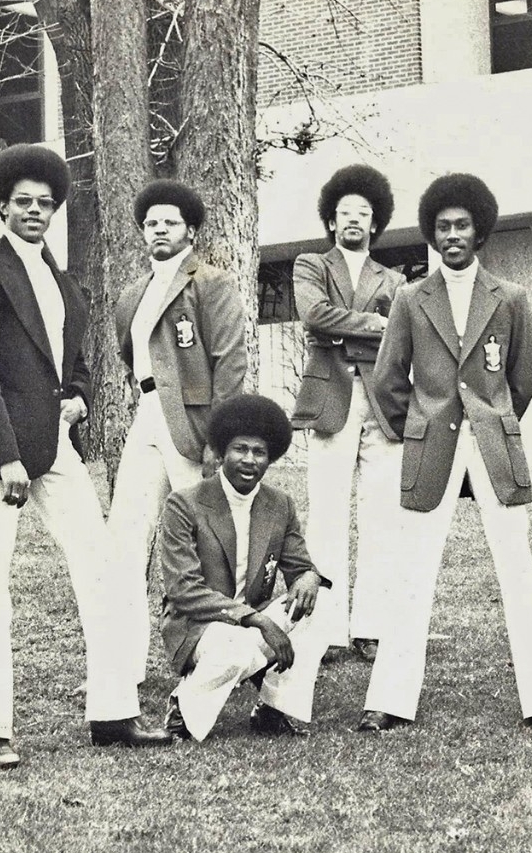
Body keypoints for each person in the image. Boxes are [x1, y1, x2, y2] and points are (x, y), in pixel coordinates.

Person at [0, 144, 172, 769]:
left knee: (101, 568)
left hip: (57, 448)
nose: (35, 212)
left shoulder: (64, 282)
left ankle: (112, 711)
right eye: (23, 203)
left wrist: (77, 399)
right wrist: (5, 457)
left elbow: (75, 366)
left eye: (45, 204)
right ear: (3, 206)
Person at [357, 173, 532, 732]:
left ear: (480, 234)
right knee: (413, 570)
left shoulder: (512, 298)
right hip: (431, 444)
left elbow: (521, 380)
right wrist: (422, 426)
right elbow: (386, 380)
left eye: (462, 226)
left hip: (493, 447)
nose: (452, 235)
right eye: (442, 227)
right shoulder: (410, 298)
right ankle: (388, 700)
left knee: (518, 570)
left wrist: (494, 423)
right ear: (431, 234)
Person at [109, 179, 247, 686]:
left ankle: (215, 659)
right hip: (147, 417)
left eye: (169, 221)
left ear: (189, 229)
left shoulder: (212, 282)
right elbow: (132, 359)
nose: (159, 230)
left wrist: (221, 441)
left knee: (202, 544)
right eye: (150, 223)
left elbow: (229, 364)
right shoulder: (131, 295)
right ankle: (121, 665)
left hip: (194, 425)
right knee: (125, 538)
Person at [159, 395, 331, 740]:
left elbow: (300, 566)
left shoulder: (279, 504)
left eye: (260, 452)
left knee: (322, 605)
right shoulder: (184, 504)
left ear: (271, 458)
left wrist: (310, 577)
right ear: (222, 452)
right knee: (235, 647)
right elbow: (184, 590)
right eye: (240, 449)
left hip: (250, 623)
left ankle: (274, 708)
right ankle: (183, 707)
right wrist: (258, 620)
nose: (249, 460)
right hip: (199, 625)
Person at [290, 164, 407, 662]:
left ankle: (372, 627)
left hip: (383, 401)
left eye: (364, 213)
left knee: (382, 516)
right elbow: (314, 315)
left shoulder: (396, 277)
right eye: (344, 213)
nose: (354, 220)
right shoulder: (310, 265)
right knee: (328, 514)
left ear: (376, 223)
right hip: (331, 400)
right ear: (332, 221)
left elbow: (404, 329)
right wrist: (376, 324)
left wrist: (342, 334)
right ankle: (327, 628)